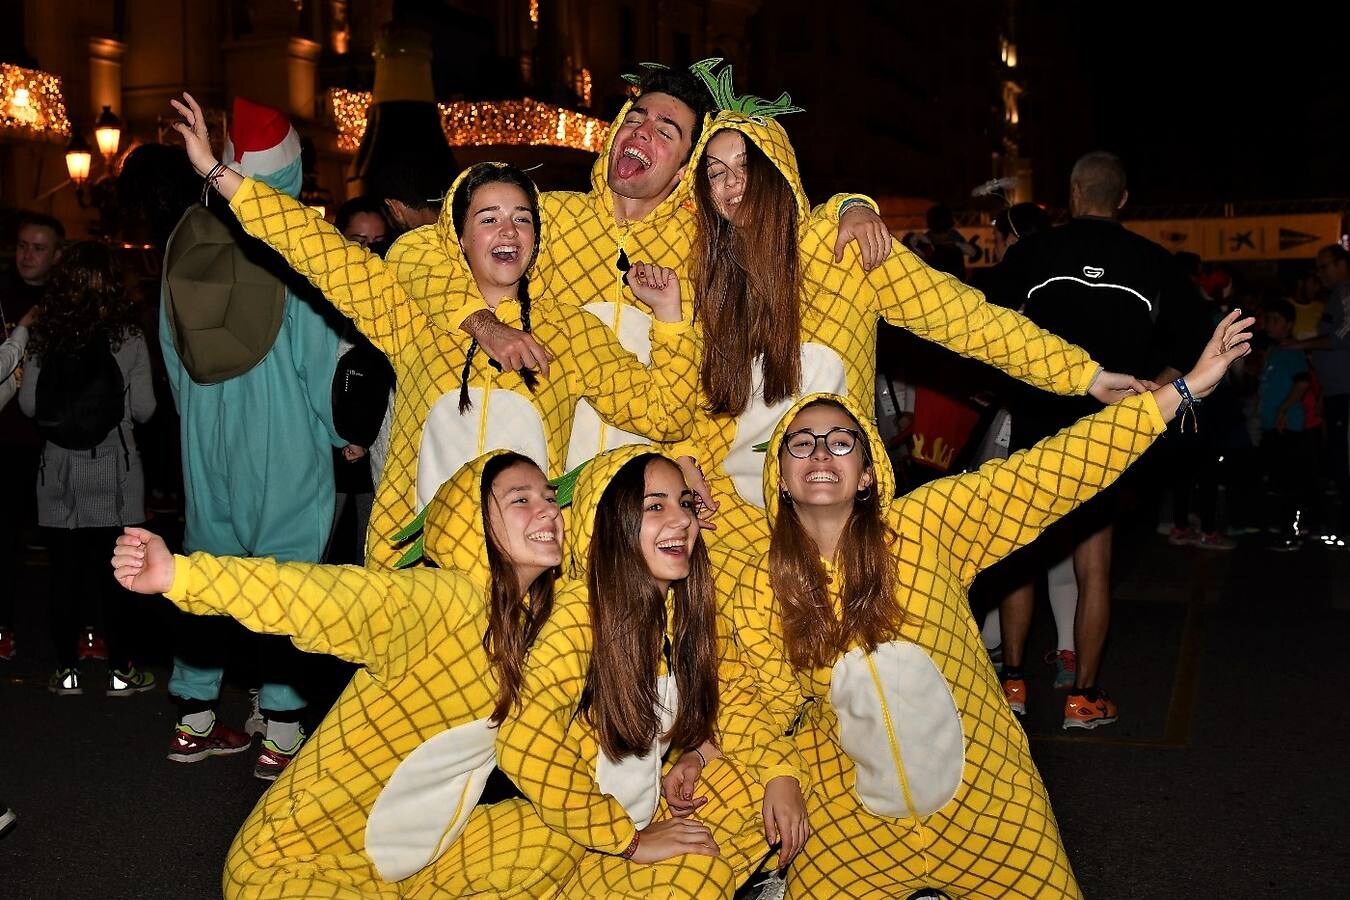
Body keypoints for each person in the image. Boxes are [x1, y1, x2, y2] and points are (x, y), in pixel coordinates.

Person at [728, 310, 1252, 898]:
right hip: (851, 824)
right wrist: (779, 775)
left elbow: (1049, 473)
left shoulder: (927, 528)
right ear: (780, 475)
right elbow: (758, 704)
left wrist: (1177, 395)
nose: (821, 452)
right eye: (802, 443)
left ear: (869, 473)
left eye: (841, 440)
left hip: (989, 805)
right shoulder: (762, 587)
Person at [170, 91, 701, 570]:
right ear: (459, 239)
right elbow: (316, 249)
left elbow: (664, 410)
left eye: (522, 218)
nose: (508, 230)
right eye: (488, 218)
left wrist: (672, 320)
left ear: (537, 240)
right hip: (421, 573)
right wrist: (217, 173)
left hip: (524, 576)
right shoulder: (414, 322)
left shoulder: (569, 334)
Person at [668, 65, 1145, 553]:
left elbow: (967, 319)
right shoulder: (705, 280)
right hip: (731, 527)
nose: (732, 184)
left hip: (833, 521)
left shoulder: (843, 250)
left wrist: (1083, 375)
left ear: (778, 169)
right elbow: (683, 394)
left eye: (747, 165)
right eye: (716, 173)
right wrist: (684, 460)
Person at [111, 451, 585, 898]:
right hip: (298, 865)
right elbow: (317, 596)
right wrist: (182, 576)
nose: (546, 510)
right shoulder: (442, 601)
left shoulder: (538, 626)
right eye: (520, 499)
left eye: (549, 497)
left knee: (558, 835)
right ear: (471, 521)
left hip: (411, 862)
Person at [387, 61, 892, 471]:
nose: (642, 131)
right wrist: (484, 325)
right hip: (547, 485)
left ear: (683, 170)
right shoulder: (546, 217)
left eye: (665, 130)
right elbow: (415, 252)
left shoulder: (705, 252)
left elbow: (711, 374)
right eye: (635, 118)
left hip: (646, 497)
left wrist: (851, 204)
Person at [496, 446, 807, 898]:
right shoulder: (582, 614)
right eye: (655, 506)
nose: (681, 520)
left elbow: (734, 700)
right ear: (611, 522)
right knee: (704, 875)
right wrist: (628, 841)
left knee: (767, 793)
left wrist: (777, 774)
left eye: (685, 504)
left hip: (640, 812)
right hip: (566, 843)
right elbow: (522, 740)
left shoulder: (680, 608)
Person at [159, 97, 346, 778]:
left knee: (206, 577)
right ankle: (283, 727)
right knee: (290, 580)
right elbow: (318, 357)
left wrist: (194, 420)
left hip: (207, 438)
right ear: (290, 176)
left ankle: (195, 718)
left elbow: (171, 345)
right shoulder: (292, 249)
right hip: (284, 441)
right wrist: (338, 431)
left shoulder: (188, 237)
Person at [990, 151, 1209, 727]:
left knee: (1021, 558)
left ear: (1071, 192)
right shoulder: (1153, 261)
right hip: (1107, 438)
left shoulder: (1034, 252)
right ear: (1124, 199)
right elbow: (1197, 344)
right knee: (1094, 567)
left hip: (1037, 430)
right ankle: (1083, 699)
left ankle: (1012, 686)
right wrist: (1154, 393)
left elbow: (985, 322)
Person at [17, 241, 156, 696]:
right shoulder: (128, 335)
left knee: (65, 574)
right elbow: (144, 409)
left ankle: (65, 669)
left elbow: (30, 403)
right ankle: (121, 668)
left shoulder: (45, 336)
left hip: (58, 473)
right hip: (115, 470)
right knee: (121, 575)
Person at [0, 211, 64, 662]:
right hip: (5, 438)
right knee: (4, 540)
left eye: (38, 248)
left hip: (55, 441)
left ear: (56, 255)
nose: (28, 255)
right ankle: (4, 629)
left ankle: (66, 639)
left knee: (64, 547)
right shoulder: (3, 295)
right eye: (23, 245)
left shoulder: (68, 301)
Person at [1285, 244, 1350, 543]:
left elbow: (1343, 334)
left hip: (1345, 394)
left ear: (1341, 264)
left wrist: (1299, 345)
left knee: (1343, 461)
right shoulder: (1337, 295)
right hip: (1337, 393)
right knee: (1338, 459)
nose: (1320, 273)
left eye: (1324, 267)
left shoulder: (1346, 291)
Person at [1259, 299, 1315, 549]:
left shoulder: (1292, 351)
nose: (1269, 325)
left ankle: (1291, 532)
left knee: (1290, 482)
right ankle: (1282, 527)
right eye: (1268, 319)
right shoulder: (1275, 351)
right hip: (1272, 425)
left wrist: (1283, 409)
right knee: (1278, 480)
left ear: (1288, 324)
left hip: (1287, 426)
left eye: (1275, 321)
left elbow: (1303, 382)